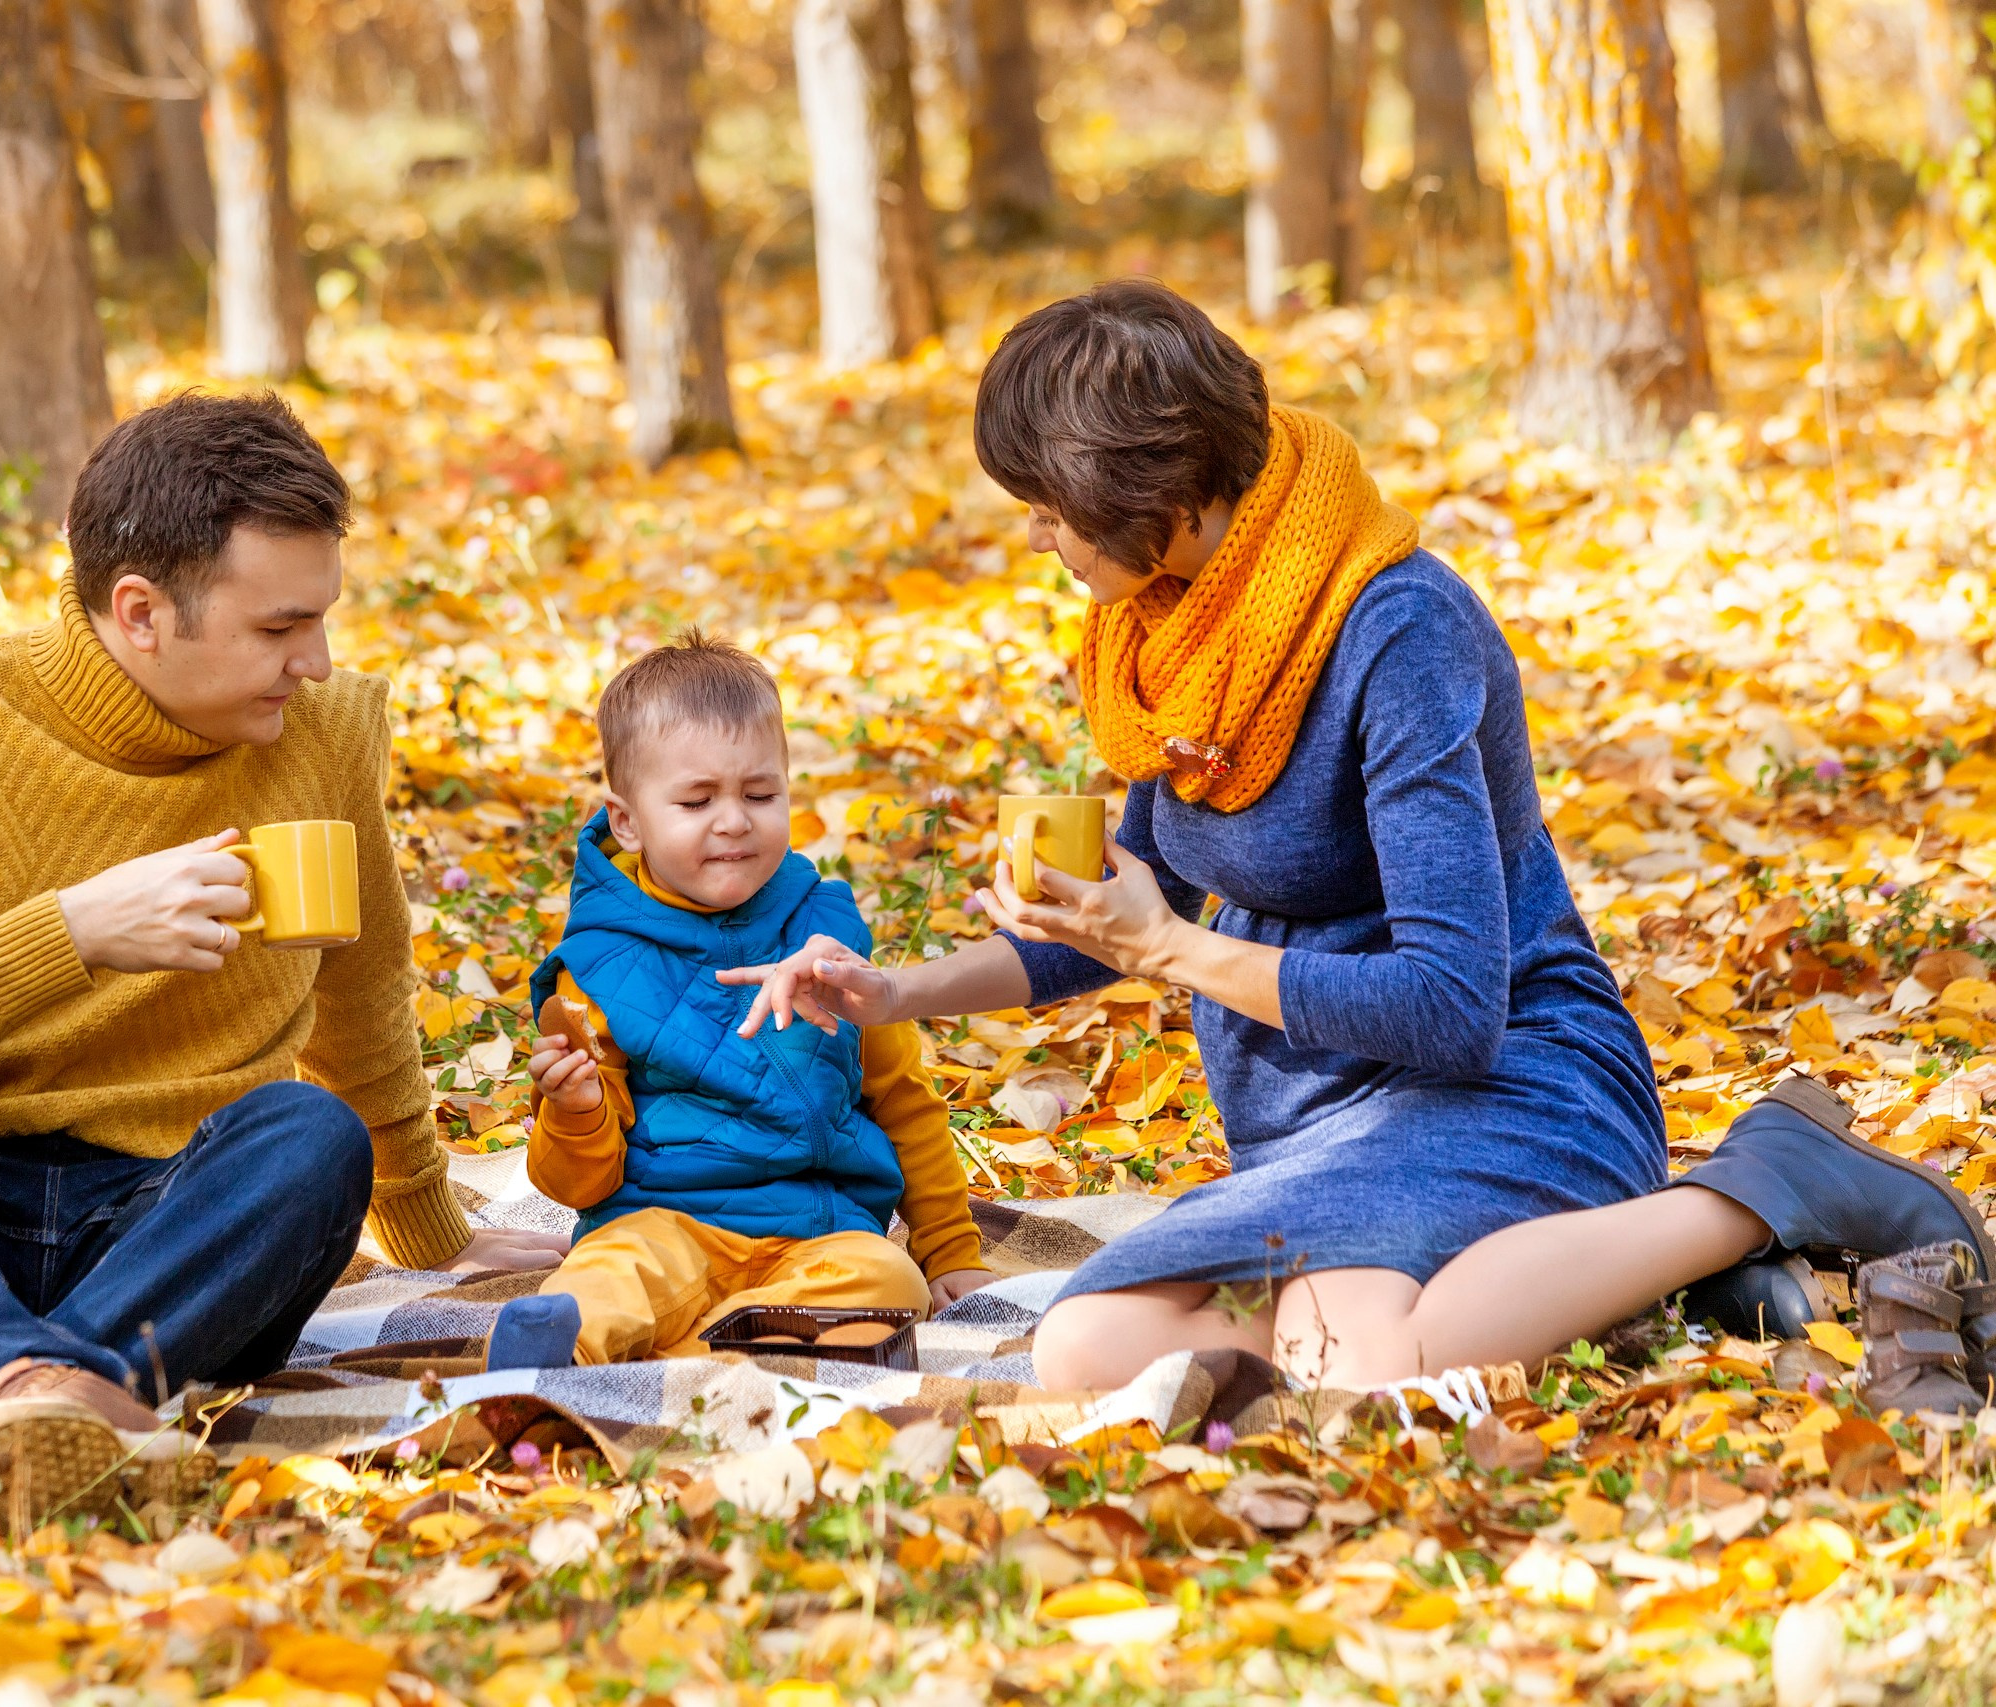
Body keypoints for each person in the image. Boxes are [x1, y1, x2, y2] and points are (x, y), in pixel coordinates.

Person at [721, 280, 1996, 1401]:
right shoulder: (1173, 631)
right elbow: (1134, 909)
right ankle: (1619, 1284)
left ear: (1150, 495)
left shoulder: (1398, 633)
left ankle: (1757, 1188)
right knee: (1087, 1350)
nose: (1035, 536)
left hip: (1510, 1085)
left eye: (1048, 509)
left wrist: (1169, 952)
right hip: (1317, 1126)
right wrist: (895, 992)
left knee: (1357, 1362)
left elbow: (1451, 1007)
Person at [0, 391, 564, 1531]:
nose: (316, 662)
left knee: (311, 1136)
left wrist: (428, 1220)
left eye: (321, 619)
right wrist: (70, 934)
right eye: (279, 629)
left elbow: (360, 988)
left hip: (175, 1231)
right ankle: (67, 1392)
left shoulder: (322, 735)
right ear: (140, 613)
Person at [482, 635, 995, 1370]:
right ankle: (558, 1350)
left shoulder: (825, 935)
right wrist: (575, 1111)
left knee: (890, 1282)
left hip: (820, 1227)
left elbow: (904, 1098)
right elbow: (578, 1183)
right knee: (606, 1277)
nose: (733, 820)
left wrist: (949, 1249)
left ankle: (687, 1353)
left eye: (760, 795)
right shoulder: (599, 967)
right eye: (697, 801)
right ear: (626, 821)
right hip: (660, 1220)